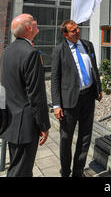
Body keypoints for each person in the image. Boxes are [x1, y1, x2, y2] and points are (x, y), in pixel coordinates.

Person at [0, 14, 50, 177]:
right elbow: (36, 95)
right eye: (33, 19)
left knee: (20, 167)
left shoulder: (8, 50)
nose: (36, 21)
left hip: (11, 122)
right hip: (25, 126)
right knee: (19, 171)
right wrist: (43, 125)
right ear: (29, 27)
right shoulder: (31, 53)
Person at [51, 20, 103, 177]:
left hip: (88, 98)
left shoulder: (88, 45)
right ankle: (65, 171)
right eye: (74, 31)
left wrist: (98, 88)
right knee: (66, 138)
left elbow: (94, 68)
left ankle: (78, 171)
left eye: (78, 29)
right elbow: (55, 78)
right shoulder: (59, 50)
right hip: (69, 101)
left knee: (85, 136)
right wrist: (56, 105)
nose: (78, 32)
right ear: (65, 34)